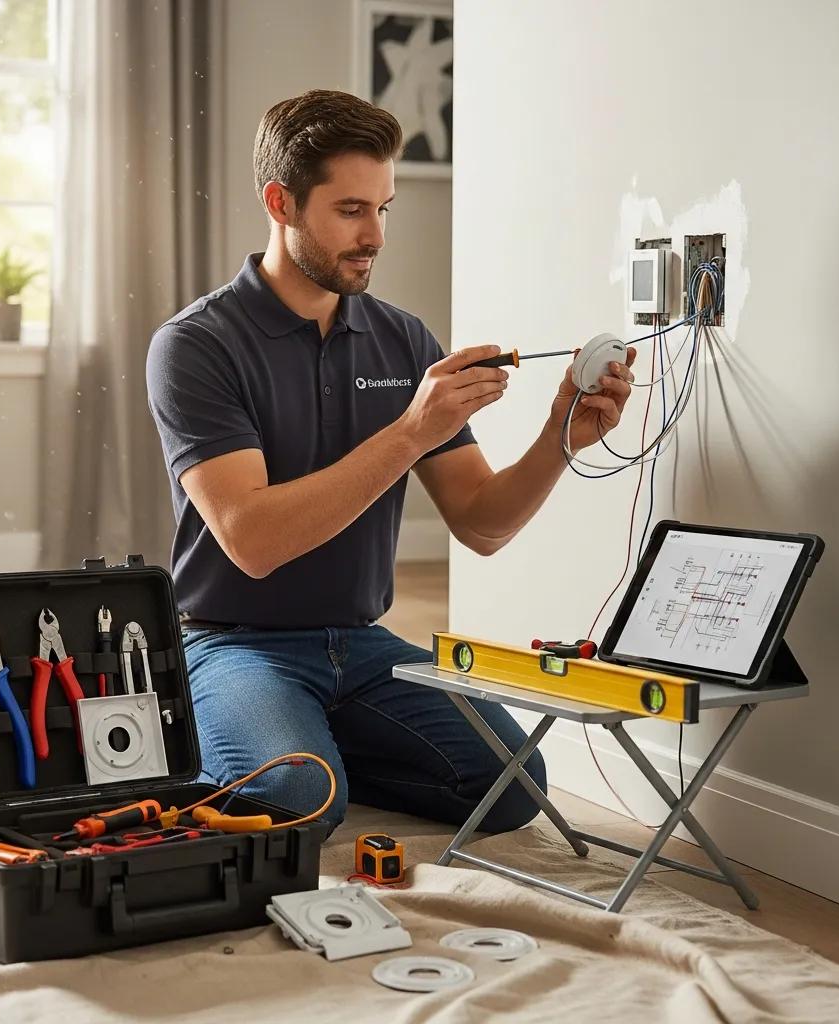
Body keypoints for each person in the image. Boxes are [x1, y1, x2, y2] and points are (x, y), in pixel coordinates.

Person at [146, 89, 636, 832]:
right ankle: (245, 742)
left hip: (363, 644)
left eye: (384, 208)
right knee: (297, 807)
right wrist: (411, 430)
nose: (374, 234)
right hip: (232, 641)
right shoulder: (196, 345)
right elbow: (253, 541)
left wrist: (560, 436)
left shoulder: (403, 339)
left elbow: (481, 524)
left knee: (512, 785)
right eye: (350, 210)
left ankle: (308, 745)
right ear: (282, 203)